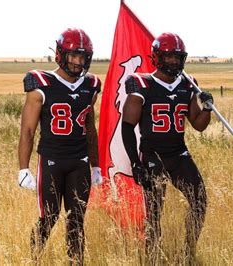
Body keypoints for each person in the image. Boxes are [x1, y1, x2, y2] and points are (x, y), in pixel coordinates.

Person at [121, 32, 213, 263]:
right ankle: (151, 257)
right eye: (169, 56)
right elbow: (127, 127)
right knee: (154, 212)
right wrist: (135, 162)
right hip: (152, 155)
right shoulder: (142, 84)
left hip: (178, 153)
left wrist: (207, 108)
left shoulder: (187, 84)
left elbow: (198, 125)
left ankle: (188, 250)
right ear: (157, 57)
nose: (174, 62)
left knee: (199, 199)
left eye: (178, 57)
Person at [17, 27, 102, 263]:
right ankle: (34, 259)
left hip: (80, 161)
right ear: (61, 54)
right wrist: (23, 168)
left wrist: (96, 165)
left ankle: (76, 262)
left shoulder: (91, 86)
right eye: (73, 55)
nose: (77, 62)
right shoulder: (40, 84)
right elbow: (28, 129)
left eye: (82, 56)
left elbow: (90, 129)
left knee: (77, 219)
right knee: (49, 217)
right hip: (52, 161)